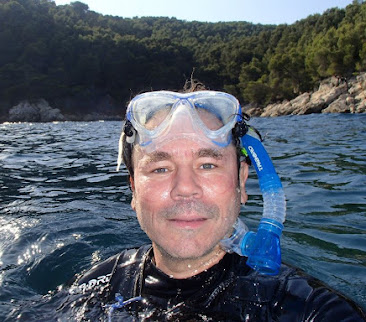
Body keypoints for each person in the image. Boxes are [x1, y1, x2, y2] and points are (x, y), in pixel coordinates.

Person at [56, 83, 366, 321]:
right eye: (160, 168)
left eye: (208, 164)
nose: (185, 188)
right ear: (134, 191)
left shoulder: (304, 308)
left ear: (241, 183)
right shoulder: (98, 287)